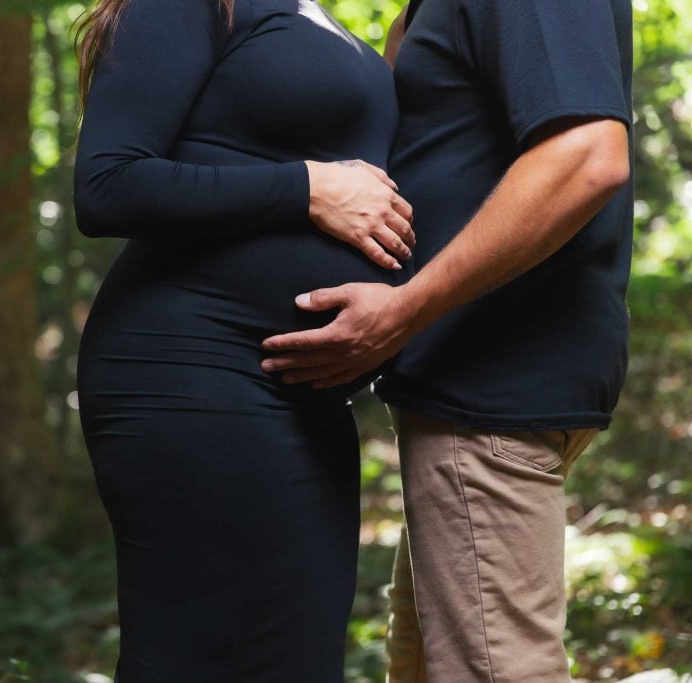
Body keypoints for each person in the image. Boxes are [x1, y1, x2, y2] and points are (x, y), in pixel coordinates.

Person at [261, 1, 634, 681]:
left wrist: (404, 310)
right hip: (471, 386)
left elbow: (586, 156)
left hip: (490, 384)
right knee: (424, 665)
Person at [72, 0, 414, 678]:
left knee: (296, 657)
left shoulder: (318, 15)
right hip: (189, 367)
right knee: (200, 656)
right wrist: (306, 188)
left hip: (301, 399)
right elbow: (107, 183)